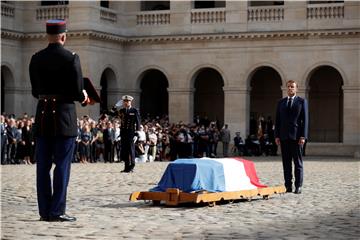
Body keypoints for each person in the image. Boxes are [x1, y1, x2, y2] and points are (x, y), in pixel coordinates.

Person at [29, 19, 91, 222]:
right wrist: (83, 96)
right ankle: (57, 211)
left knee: (42, 168)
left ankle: (45, 211)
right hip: (64, 118)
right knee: (62, 167)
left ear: (48, 36)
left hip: (43, 116)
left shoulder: (36, 58)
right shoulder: (71, 58)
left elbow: (35, 91)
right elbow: (76, 90)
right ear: (64, 36)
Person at [275, 80, 308, 194]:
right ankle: (288, 186)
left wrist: (303, 136)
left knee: (298, 163)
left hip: (297, 137)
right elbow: (278, 120)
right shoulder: (281, 102)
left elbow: (305, 120)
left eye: (292, 87)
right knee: (286, 163)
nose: (290, 89)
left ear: (296, 89)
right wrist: (277, 136)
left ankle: (298, 186)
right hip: (284, 137)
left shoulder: (301, 102)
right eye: (288, 87)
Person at [111, 95, 141, 172]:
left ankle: (132, 165)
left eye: (127, 101)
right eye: (124, 101)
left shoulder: (134, 110)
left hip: (131, 132)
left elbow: (138, 122)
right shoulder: (121, 111)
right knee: (124, 150)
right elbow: (111, 114)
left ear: (130, 102)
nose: (126, 102)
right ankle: (126, 167)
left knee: (131, 149)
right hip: (123, 132)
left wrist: (137, 133)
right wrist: (115, 106)